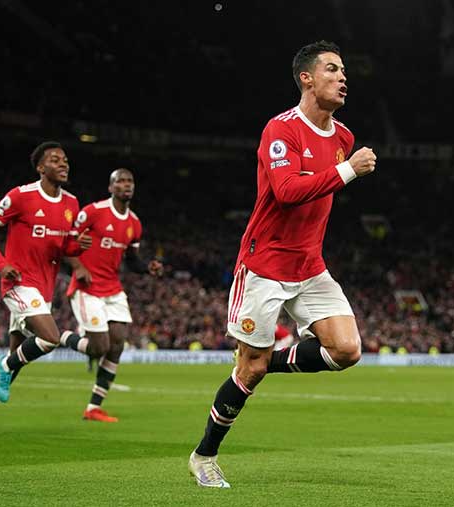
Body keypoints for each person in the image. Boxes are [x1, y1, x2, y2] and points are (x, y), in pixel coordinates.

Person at [188, 40, 377, 487]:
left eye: (344, 70)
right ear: (307, 79)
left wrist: (344, 167)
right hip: (265, 265)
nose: (343, 77)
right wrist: (348, 171)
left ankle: (264, 360)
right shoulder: (281, 129)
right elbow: (287, 191)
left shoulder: (344, 138)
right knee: (248, 373)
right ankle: (204, 455)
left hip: (309, 265)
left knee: (346, 350)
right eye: (332, 69)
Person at [0, 141, 92, 436]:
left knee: (17, 360)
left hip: (44, 288)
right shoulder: (21, 196)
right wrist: (1, 264)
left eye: (65, 159)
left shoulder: (72, 204)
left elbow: (64, 247)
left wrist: (79, 246)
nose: (63, 163)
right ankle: (4, 365)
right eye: (55, 159)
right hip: (18, 283)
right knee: (50, 338)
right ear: (40, 167)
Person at [60, 168, 162, 422]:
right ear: (110, 187)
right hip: (87, 288)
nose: (126, 185)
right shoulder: (93, 212)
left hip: (113, 288)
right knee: (98, 348)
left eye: (130, 181)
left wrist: (147, 267)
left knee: (117, 345)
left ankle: (94, 407)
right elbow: (65, 242)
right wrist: (78, 267)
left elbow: (132, 260)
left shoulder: (134, 223)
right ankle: (57, 337)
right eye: (120, 181)